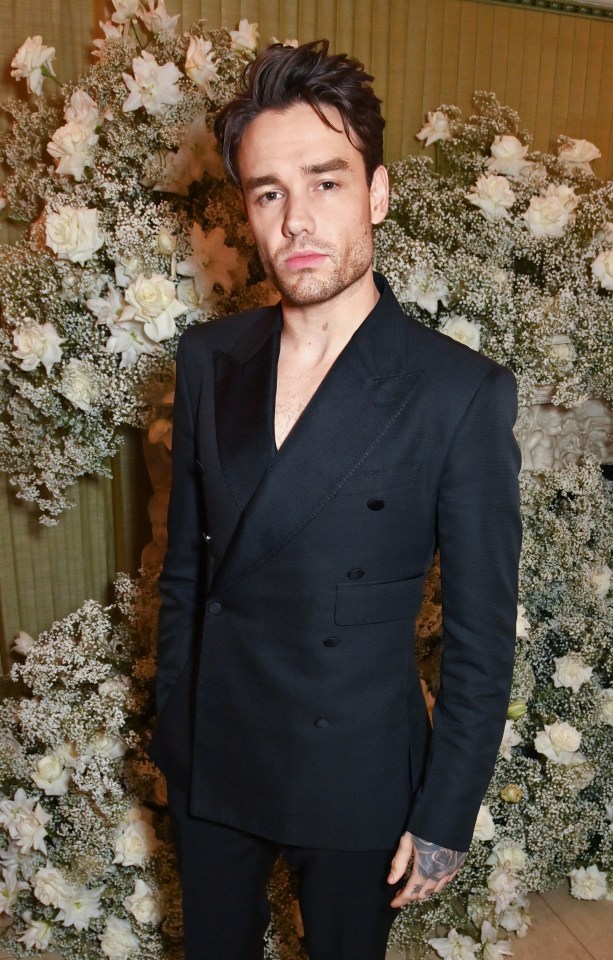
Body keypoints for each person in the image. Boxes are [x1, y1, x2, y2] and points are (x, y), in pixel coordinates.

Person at [148, 39, 522, 960]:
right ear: (246, 209)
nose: (296, 220)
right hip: (217, 758)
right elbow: (186, 574)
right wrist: (175, 734)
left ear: (377, 194)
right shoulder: (208, 361)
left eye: (326, 182)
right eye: (269, 191)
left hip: (357, 774)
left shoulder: (455, 391)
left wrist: (445, 812)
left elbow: (481, 632)